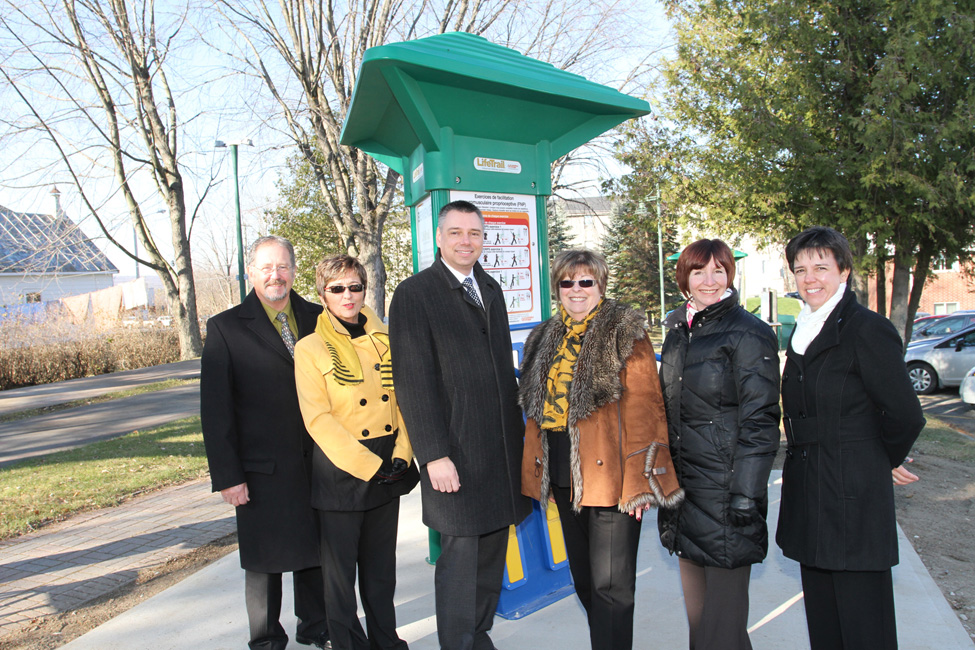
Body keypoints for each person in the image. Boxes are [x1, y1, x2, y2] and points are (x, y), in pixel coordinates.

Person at [519, 249, 683, 650]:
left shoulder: (625, 332)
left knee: (612, 587)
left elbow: (647, 409)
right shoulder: (543, 336)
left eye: (586, 281)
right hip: (561, 472)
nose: (576, 290)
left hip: (612, 476)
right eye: (567, 282)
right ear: (557, 287)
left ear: (601, 285)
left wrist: (642, 480)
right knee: (586, 582)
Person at [388, 200, 532, 650]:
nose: (466, 241)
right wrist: (433, 455)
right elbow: (413, 382)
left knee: (491, 553)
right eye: (456, 232)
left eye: (474, 233)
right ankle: (458, 643)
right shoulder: (415, 294)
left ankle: (479, 636)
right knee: (460, 560)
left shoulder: (489, 288)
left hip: (499, 451)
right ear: (439, 237)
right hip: (453, 454)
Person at [777, 226, 925, 650]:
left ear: (843, 271)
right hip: (811, 496)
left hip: (854, 501)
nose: (810, 279)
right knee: (825, 625)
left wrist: (883, 459)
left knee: (864, 630)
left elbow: (904, 415)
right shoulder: (804, 329)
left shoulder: (865, 329)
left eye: (821, 267)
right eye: (801, 269)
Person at [200, 235, 329, 650]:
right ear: (251, 273)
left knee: (315, 554)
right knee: (264, 563)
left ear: (294, 269)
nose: (276, 275)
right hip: (261, 471)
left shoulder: (318, 316)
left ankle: (317, 626)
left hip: (319, 463)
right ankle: (267, 640)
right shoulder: (225, 328)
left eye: (283, 266)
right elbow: (215, 412)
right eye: (266, 267)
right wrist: (228, 476)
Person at [656, 238, 781, 650]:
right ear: (684, 278)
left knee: (720, 626)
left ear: (730, 274)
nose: (709, 280)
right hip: (685, 495)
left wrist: (747, 492)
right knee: (702, 623)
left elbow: (761, 419)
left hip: (728, 495)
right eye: (698, 271)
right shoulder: (679, 334)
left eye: (718, 270)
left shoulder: (749, 333)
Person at [294, 254, 420, 650]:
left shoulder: (387, 338)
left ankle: (387, 641)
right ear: (322, 294)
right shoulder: (310, 348)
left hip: (390, 462)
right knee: (339, 579)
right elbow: (318, 420)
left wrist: (402, 451)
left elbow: (406, 400)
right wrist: (368, 465)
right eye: (337, 289)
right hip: (342, 468)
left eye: (355, 287)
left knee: (382, 572)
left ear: (365, 289)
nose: (347, 296)